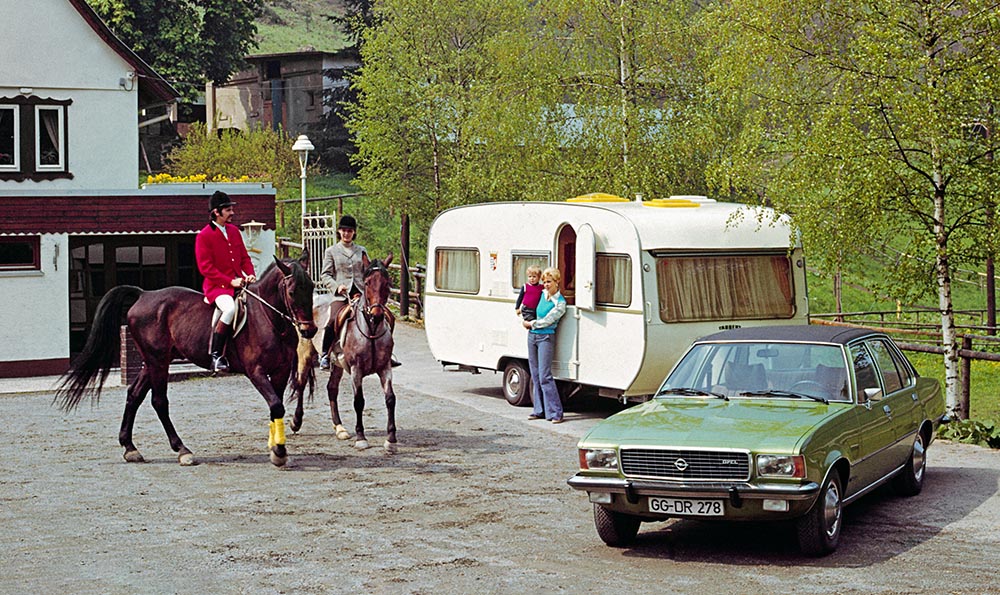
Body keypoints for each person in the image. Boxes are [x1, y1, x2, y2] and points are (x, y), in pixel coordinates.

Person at [318, 215, 401, 370]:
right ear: (339, 231)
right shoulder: (331, 251)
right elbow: (325, 275)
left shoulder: (361, 250)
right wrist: (337, 286)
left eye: (349, 231)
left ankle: (386, 353)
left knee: (388, 317)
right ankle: (325, 355)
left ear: (354, 232)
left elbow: (368, 271)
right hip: (342, 295)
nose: (346, 234)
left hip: (362, 294)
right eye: (343, 230)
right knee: (333, 320)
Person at [195, 190, 256, 373]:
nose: (232, 213)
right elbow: (206, 268)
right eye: (228, 210)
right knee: (229, 309)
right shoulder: (204, 236)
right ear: (216, 212)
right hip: (217, 287)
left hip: (240, 283)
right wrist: (231, 282)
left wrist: (250, 274)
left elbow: (244, 258)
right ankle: (216, 355)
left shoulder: (234, 231)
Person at [523, 267, 567, 423]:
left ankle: (556, 413)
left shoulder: (560, 303)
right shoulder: (541, 294)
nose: (546, 285)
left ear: (557, 282)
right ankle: (539, 410)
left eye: (549, 282)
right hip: (532, 337)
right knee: (535, 375)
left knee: (545, 376)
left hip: (545, 337)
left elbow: (549, 320)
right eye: (545, 282)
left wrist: (531, 324)